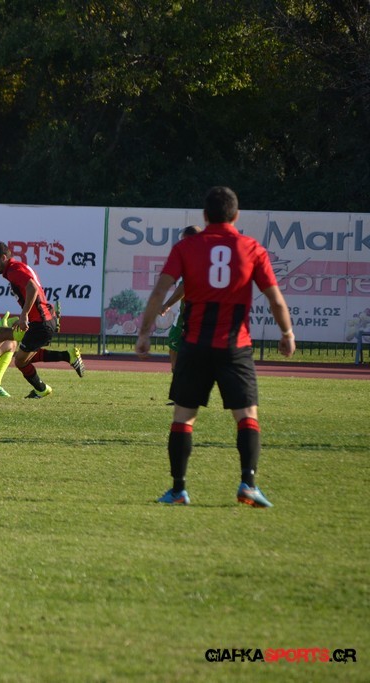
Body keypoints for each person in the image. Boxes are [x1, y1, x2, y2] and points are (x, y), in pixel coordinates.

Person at [135, 186, 296, 508]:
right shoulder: (251, 248)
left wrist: (144, 333)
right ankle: (248, 484)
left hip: (194, 345)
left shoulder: (186, 247)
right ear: (236, 215)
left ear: (205, 215)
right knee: (246, 415)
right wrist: (287, 333)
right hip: (235, 348)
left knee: (184, 417)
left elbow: (159, 292)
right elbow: (275, 299)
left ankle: (178, 490)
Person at [0, 241, 85, 398]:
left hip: (41, 322)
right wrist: (25, 315)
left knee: (20, 361)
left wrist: (24, 315)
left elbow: (32, 288)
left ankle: (42, 389)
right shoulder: (18, 267)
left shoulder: (13, 270)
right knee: (24, 355)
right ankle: (67, 357)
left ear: (3, 258)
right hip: (42, 320)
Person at [160, 225, 203, 373]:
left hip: (190, 313)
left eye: (184, 240)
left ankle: (179, 376)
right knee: (177, 345)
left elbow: (185, 287)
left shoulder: (195, 259)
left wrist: (166, 305)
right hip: (201, 312)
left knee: (175, 344)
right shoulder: (203, 257)